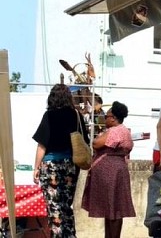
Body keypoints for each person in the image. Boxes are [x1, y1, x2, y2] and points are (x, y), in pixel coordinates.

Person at [32, 83, 88, 237]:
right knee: (65, 207)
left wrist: (36, 168)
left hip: (51, 166)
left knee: (54, 208)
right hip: (70, 166)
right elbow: (85, 140)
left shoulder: (49, 116)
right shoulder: (76, 115)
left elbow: (41, 145)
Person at [81, 101, 136, 238]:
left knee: (114, 209)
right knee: (110, 209)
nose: (105, 118)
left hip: (112, 173)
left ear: (113, 118)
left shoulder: (116, 131)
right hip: (115, 171)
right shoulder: (123, 130)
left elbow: (96, 143)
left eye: (107, 116)